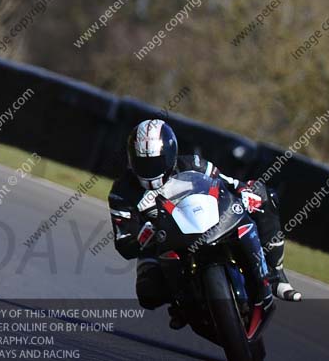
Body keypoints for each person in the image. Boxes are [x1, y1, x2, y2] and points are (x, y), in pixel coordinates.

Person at [109, 120, 301, 327]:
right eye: (143, 163)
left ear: (170, 154)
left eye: (155, 161)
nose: (149, 169)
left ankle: (276, 272)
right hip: (162, 244)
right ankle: (181, 306)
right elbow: (124, 244)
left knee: (265, 196)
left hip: (208, 222)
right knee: (148, 294)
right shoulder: (122, 193)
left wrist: (245, 191)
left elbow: (227, 182)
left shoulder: (193, 163)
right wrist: (145, 233)